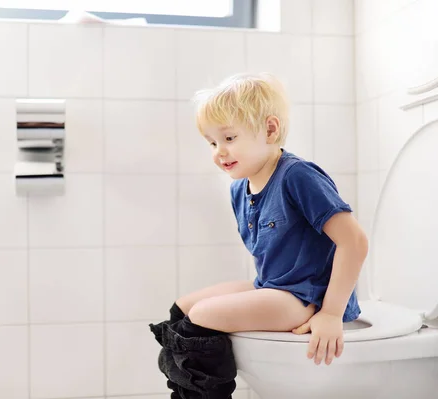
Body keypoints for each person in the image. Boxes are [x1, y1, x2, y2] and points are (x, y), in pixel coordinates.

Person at [149, 72, 368, 399]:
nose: (219, 152)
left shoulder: (297, 176)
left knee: (202, 317)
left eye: (229, 138)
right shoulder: (240, 187)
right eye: (212, 142)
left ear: (270, 129)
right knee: (182, 309)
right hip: (275, 286)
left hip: (307, 296)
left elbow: (354, 241)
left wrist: (331, 313)